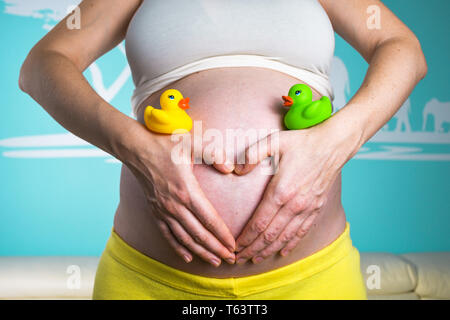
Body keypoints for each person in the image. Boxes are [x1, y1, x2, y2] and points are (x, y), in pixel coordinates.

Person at [19, 0, 427, 299]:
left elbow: (401, 46)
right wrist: (136, 147)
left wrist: (334, 144)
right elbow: (43, 64)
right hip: (150, 282)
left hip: (310, 280)